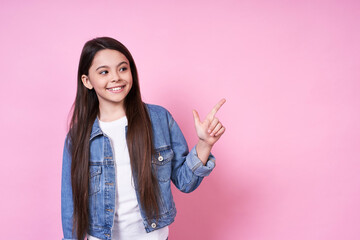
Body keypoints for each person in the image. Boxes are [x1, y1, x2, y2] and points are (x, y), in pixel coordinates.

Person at [61, 37, 226, 240]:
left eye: (122, 68)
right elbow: (72, 205)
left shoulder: (159, 119)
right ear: (87, 81)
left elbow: (186, 182)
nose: (115, 78)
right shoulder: (77, 137)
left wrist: (204, 144)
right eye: (104, 72)